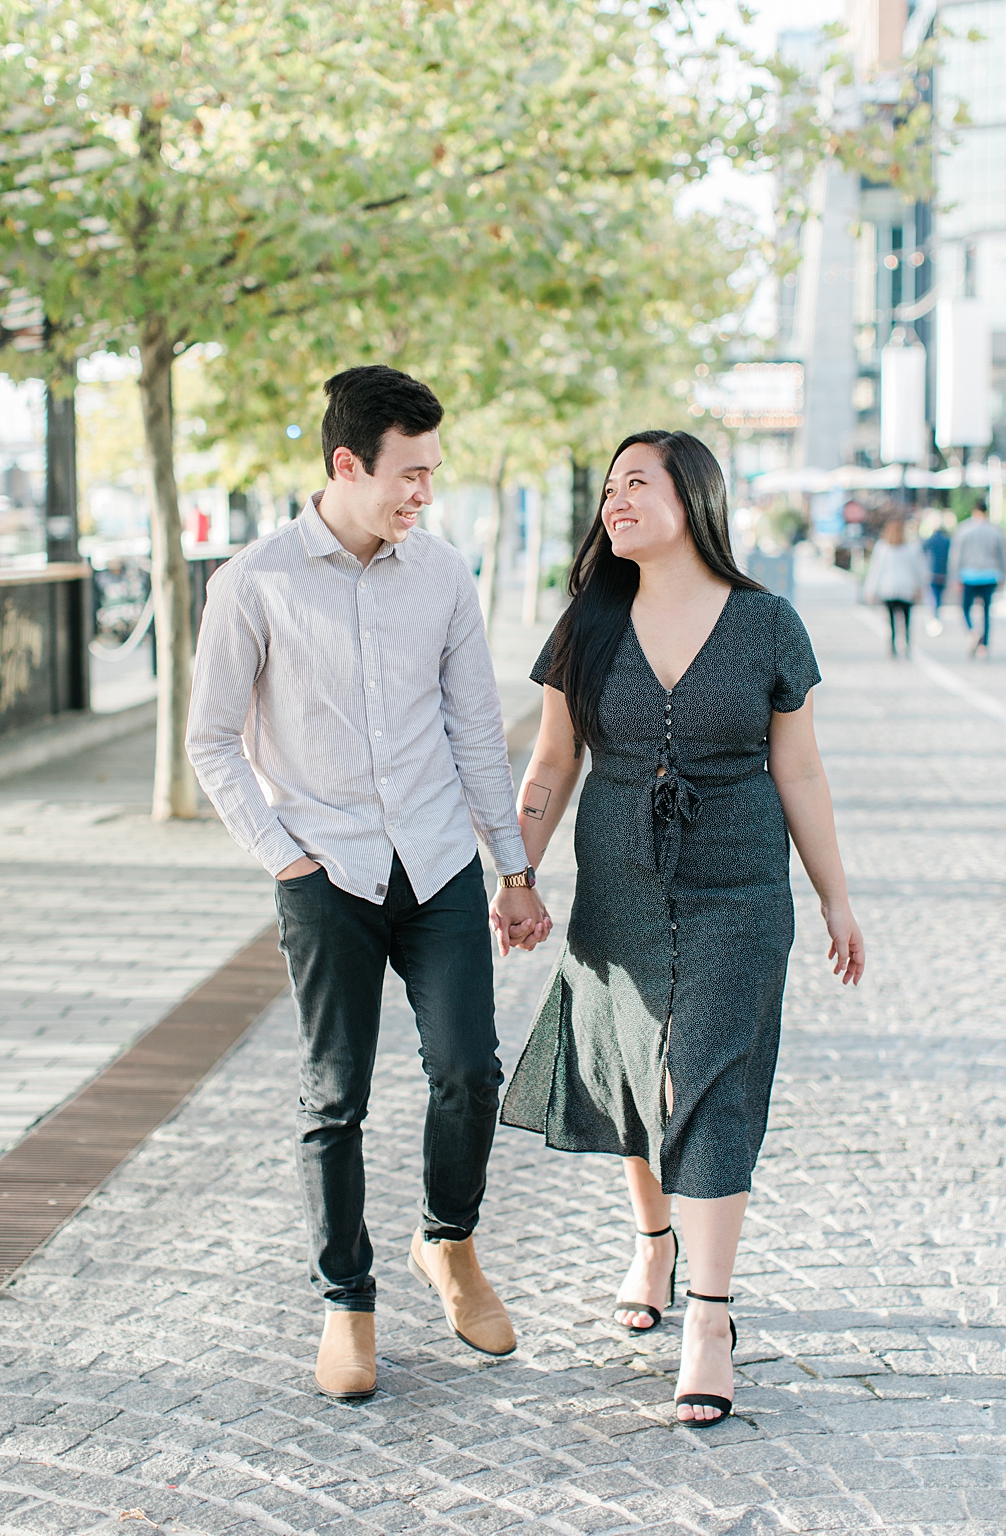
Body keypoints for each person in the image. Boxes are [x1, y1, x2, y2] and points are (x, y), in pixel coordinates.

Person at [186, 365, 551, 1402]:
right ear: (347, 465)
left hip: (435, 864)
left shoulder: (440, 574)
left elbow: (477, 730)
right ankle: (348, 1303)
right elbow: (210, 742)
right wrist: (284, 857)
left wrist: (513, 868)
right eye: (410, 472)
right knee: (333, 1097)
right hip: (327, 871)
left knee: (471, 1071)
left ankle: (450, 1240)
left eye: (432, 472)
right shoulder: (252, 583)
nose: (424, 493)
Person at [500, 430, 864, 1427]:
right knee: (630, 1065)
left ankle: (710, 1314)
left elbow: (799, 770)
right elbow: (547, 765)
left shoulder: (766, 624)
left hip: (740, 886)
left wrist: (834, 895)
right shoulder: (586, 623)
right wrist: (516, 872)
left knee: (707, 1073)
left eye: (637, 483)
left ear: (693, 499)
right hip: (614, 886)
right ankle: (651, 1240)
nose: (615, 501)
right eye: (609, 487)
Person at [949, 497, 1006, 657]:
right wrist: (1004, 575)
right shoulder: (995, 530)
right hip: (990, 575)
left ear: (974, 511)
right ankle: (984, 645)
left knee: (965, 608)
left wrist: (954, 576)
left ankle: (973, 632)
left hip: (968, 574)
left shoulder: (964, 529)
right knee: (986, 611)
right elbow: (1003, 554)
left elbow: (956, 556)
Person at [863, 518, 929, 658]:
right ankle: (907, 646)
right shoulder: (911, 547)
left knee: (891, 621)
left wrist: (870, 590)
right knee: (907, 620)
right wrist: (921, 586)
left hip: (889, 589)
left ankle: (892, 646)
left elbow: (876, 571)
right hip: (907, 588)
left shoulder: (882, 548)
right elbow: (918, 569)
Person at [920, 511, 952, 633]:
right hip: (943, 573)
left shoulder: (929, 540)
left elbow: (922, 554)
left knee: (932, 596)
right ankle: (936, 615)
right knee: (938, 596)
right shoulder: (946, 541)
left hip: (932, 573)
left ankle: (934, 616)